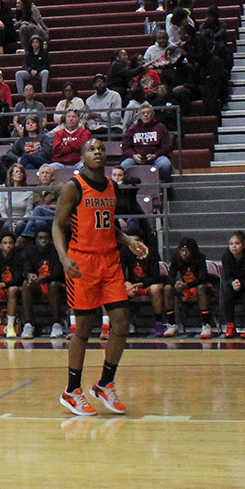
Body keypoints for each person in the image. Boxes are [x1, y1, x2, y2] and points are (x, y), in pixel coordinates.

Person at [53, 138, 149, 416]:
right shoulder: (74, 187)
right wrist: (63, 257)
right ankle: (72, 390)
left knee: (121, 322)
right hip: (82, 263)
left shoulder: (111, 187)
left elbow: (107, 228)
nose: (97, 152)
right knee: (82, 329)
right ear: (82, 157)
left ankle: (105, 383)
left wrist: (128, 240)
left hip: (110, 262)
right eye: (91, 149)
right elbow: (58, 226)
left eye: (101, 149)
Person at [170, 237, 218, 339]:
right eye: (182, 250)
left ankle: (206, 324)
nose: (184, 254)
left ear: (192, 251)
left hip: (198, 286)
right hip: (185, 288)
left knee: (201, 288)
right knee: (167, 288)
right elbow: (170, 276)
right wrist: (175, 284)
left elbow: (202, 277)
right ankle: (171, 324)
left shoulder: (200, 257)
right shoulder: (176, 258)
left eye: (186, 251)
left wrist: (187, 285)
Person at [120, 102, 174, 180]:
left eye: (148, 112)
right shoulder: (132, 129)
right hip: (136, 158)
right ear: (139, 115)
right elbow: (125, 147)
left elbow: (167, 146)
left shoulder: (160, 127)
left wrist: (155, 155)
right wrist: (133, 155)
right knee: (123, 166)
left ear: (152, 114)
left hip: (156, 157)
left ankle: (163, 187)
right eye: (143, 113)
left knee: (165, 165)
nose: (146, 115)